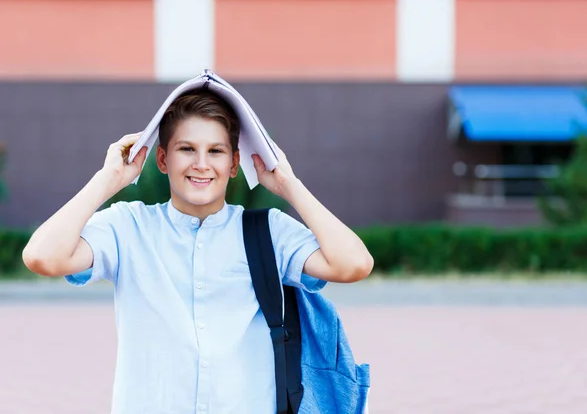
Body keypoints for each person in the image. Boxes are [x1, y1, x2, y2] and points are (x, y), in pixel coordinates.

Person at [22, 90, 373, 413]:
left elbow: (354, 264)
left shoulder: (270, 231)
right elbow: (43, 256)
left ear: (234, 164)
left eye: (216, 151)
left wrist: (288, 185)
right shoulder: (128, 227)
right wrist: (109, 179)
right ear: (162, 159)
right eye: (187, 149)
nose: (201, 164)